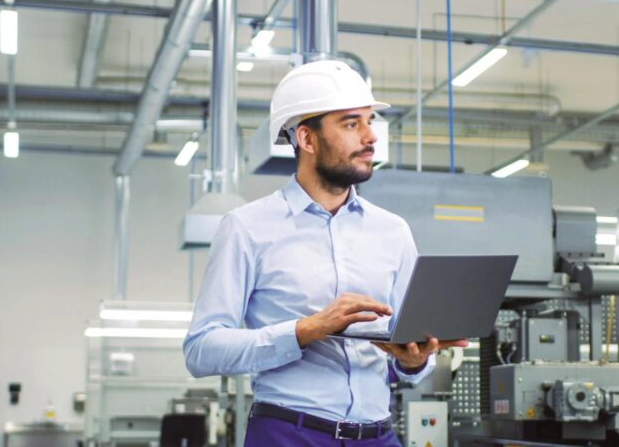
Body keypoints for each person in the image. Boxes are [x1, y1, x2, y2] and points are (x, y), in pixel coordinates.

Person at [183, 60, 467, 446]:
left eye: (370, 121)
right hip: (288, 434)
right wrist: (305, 330)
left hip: (378, 436)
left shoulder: (393, 231)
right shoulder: (247, 228)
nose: (370, 137)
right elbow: (201, 350)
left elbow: (410, 348)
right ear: (307, 138)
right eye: (351, 124)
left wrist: (414, 360)